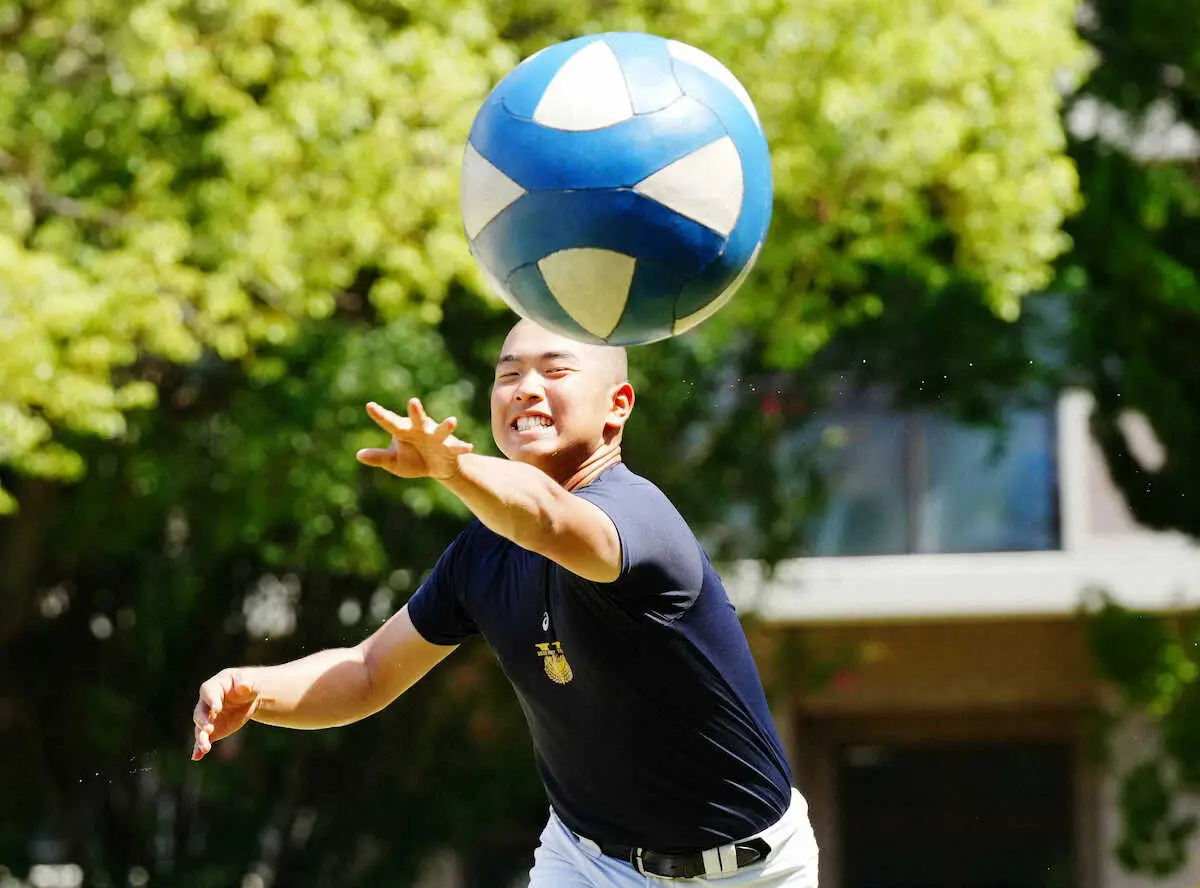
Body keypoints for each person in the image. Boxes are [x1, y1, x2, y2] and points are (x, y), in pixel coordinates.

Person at [190, 319, 819, 886]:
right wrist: (259, 689)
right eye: (508, 374)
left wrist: (454, 472)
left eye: (555, 369)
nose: (525, 387)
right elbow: (368, 671)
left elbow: (547, 520)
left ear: (617, 406)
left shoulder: (640, 519)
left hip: (748, 871)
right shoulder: (481, 555)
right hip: (588, 862)